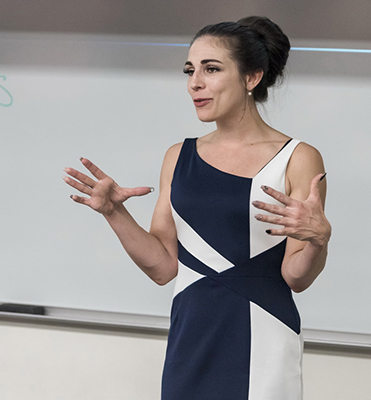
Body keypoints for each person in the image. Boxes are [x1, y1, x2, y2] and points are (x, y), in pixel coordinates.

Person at [63, 16, 331, 400]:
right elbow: (163, 267)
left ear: (252, 77)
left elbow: (295, 276)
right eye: (190, 70)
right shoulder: (179, 156)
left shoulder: (297, 158)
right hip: (191, 330)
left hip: (263, 330)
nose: (195, 83)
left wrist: (319, 240)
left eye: (211, 69)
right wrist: (113, 212)